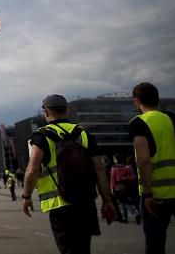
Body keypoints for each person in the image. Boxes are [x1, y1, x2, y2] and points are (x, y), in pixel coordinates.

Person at [22, 94, 115, 254]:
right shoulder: (84, 134)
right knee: (84, 249)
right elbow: (100, 170)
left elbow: (32, 169)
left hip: (60, 205)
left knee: (68, 250)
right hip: (85, 203)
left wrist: (26, 196)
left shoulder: (42, 136)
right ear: (66, 110)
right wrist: (107, 200)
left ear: (46, 112)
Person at [129, 82, 175, 254]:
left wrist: (147, 193)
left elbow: (144, 159)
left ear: (136, 101)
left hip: (157, 194)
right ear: (157, 99)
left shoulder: (139, 122)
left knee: (155, 244)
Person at [110, 153, 139, 224]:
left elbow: (112, 180)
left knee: (123, 202)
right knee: (123, 201)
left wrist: (112, 189)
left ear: (115, 159)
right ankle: (125, 217)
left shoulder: (114, 168)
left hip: (117, 187)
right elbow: (133, 177)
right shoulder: (125, 167)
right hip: (124, 187)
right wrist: (125, 178)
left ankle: (135, 213)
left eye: (114, 159)